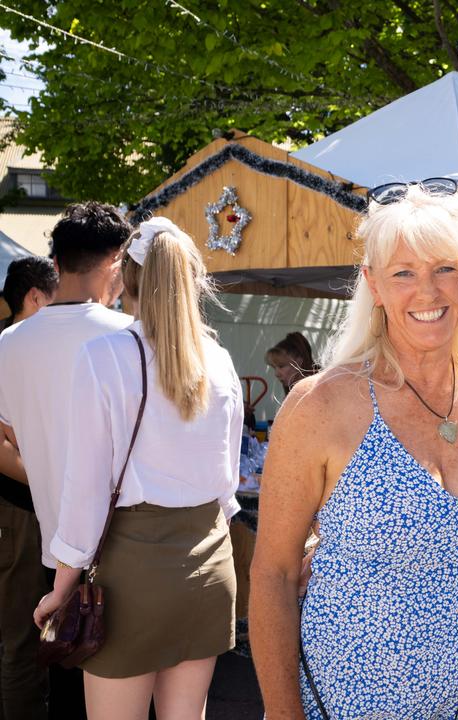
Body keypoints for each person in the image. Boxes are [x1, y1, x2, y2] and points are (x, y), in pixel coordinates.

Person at [250, 181, 458, 720]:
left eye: (445, 269)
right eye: (403, 273)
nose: (427, 292)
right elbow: (272, 571)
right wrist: (281, 713)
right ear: (374, 284)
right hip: (338, 705)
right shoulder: (323, 403)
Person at [32, 217, 242, 718]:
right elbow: (226, 485)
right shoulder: (220, 361)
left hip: (132, 578)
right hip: (210, 566)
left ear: (126, 278)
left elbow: (83, 491)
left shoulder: (103, 357)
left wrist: (61, 589)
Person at [0, 202, 134, 720]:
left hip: (53, 542)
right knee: (117, 685)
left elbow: (11, 433)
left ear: (56, 264)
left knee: (52, 666)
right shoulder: (128, 336)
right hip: (125, 539)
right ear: (116, 263)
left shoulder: (10, 343)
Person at [0, 256, 57, 719]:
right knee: (21, 635)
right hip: (17, 511)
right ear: (35, 297)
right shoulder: (6, 347)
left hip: (40, 509)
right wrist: (55, 480)